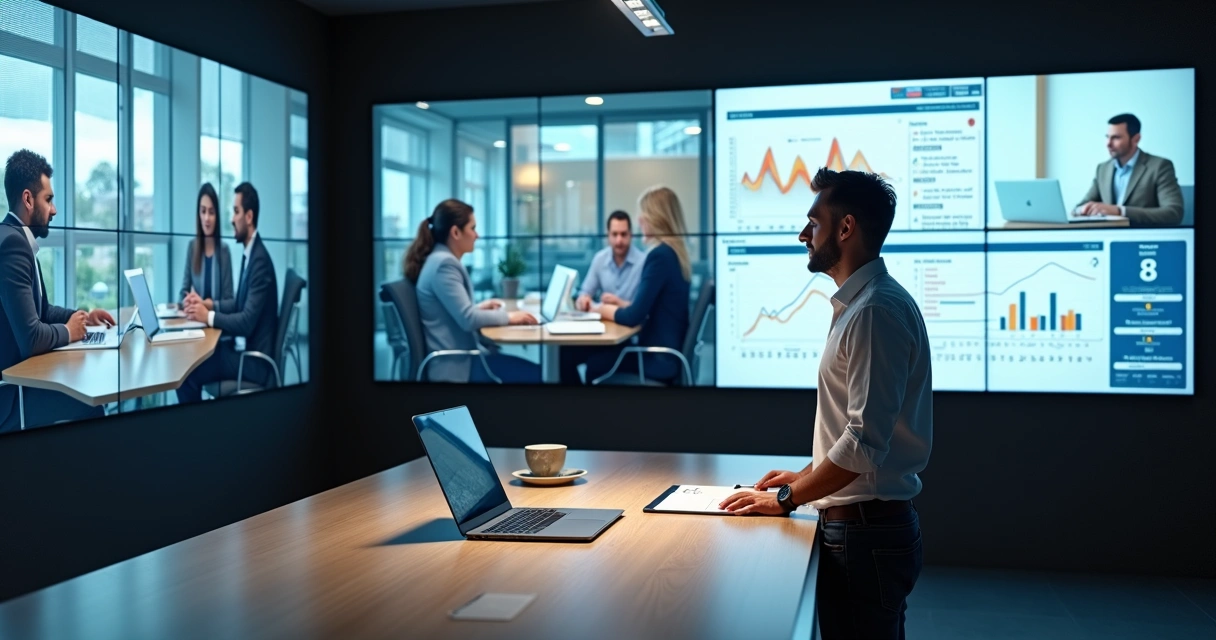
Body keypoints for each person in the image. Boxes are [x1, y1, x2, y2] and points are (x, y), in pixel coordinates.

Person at [719, 169, 933, 640]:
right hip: (866, 530)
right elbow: (852, 434)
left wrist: (785, 498)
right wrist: (804, 476)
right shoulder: (865, 305)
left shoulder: (874, 311)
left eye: (814, 222)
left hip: (864, 534)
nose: (804, 234)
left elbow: (862, 444)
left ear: (846, 228)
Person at [0, 150, 115, 432]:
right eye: (48, 199)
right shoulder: (13, 246)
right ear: (28, 199)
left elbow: (43, 311)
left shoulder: (17, 239)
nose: (54, 210)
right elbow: (31, 338)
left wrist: (82, 318)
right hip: (11, 397)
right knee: (91, 402)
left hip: (21, 382)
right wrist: (69, 331)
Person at [560, 186, 691, 385]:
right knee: (570, 355)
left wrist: (598, 308)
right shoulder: (674, 255)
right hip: (665, 355)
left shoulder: (659, 256)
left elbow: (633, 316)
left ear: (656, 218)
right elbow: (647, 309)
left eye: (643, 214)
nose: (640, 220)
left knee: (595, 366)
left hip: (656, 358)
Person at [404, 199, 540, 384]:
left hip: (464, 359)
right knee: (544, 375)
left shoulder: (439, 259)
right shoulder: (444, 264)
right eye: (473, 228)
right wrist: (510, 317)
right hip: (459, 366)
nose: (477, 235)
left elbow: (455, 313)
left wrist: (478, 308)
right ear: (455, 232)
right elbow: (468, 319)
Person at [176, 182, 279, 403]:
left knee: (186, 374)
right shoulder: (251, 255)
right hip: (245, 351)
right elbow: (239, 304)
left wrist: (208, 316)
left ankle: (195, 423)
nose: (231, 219)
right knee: (191, 365)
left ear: (248, 217)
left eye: (236, 211)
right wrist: (208, 305)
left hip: (254, 362)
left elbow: (246, 322)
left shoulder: (259, 261)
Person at [1075, 113, 1183, 225]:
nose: (1108, 144)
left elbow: (1173, 213)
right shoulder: (1103, 169)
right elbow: (1080, 207)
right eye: (1107, 137)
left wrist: (1120, 211)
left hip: (1141, 234)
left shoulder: (1159, 166)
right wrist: (1082, 210)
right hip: (1107, 234)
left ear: (1136, 139)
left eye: (1116, 138)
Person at [574, 210, 646, 311]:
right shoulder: (600, 259)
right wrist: (582, 301)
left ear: (630, 235)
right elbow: (585, 292)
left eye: (623, 234)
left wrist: (619, 303)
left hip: (632, 321)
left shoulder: (643, 262)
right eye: (614, 234)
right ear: (608, 235)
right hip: (605, 320)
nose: (619, 240)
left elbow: (646, 308)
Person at [178, 183, 234, 307]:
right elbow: (183, 293)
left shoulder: (224, 251)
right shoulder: (192, 247)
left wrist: (207, 304)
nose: (207, 218)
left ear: (217, 216)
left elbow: (230, 303)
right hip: (195, 318)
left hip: (216, 318)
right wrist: (186, 301)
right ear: (198, 214)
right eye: (203, 211)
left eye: (211, 212)